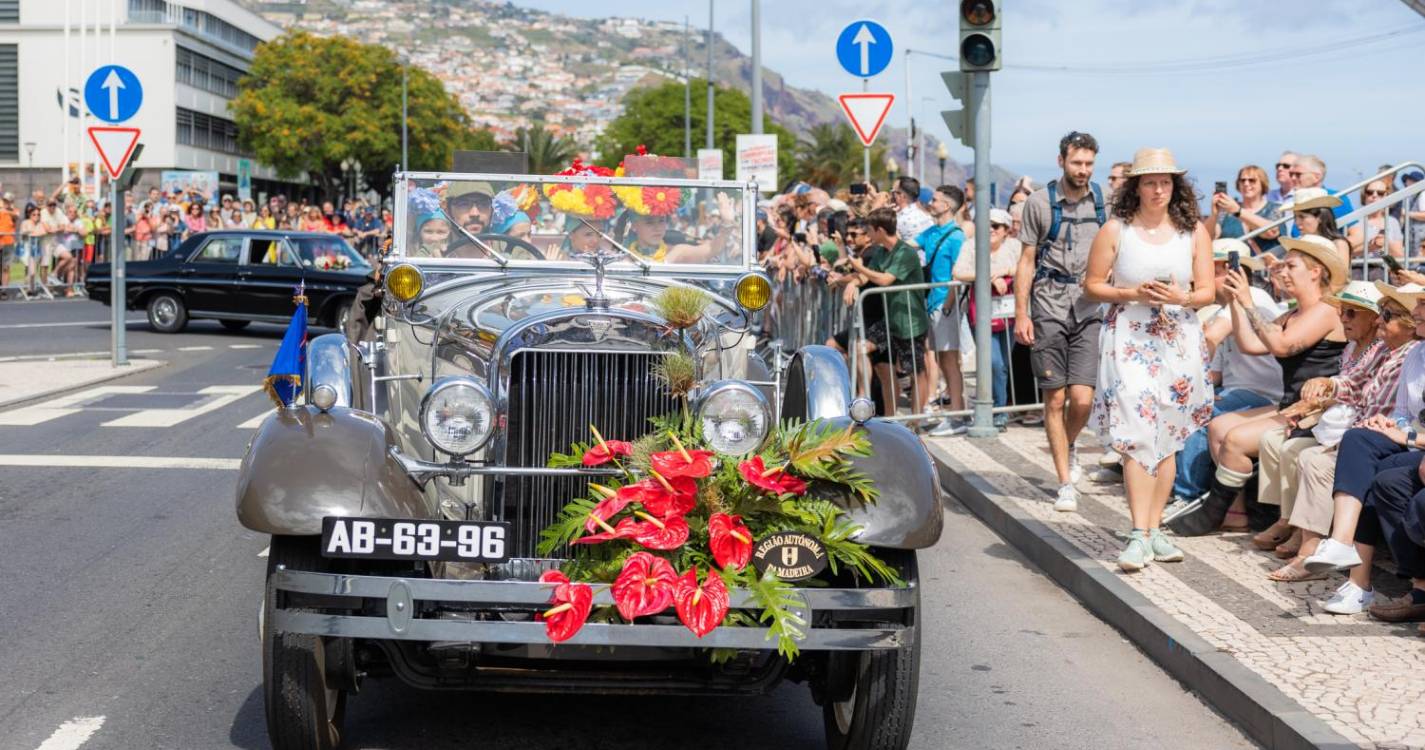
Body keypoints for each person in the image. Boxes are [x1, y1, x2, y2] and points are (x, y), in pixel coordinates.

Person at [1084, 148, 1215, 571]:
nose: (1158, 189)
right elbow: (1092, 286)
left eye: (1165, 181)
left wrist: (1183, 297)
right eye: (1150, 181)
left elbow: (1209, 292)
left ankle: (1155, 529)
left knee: (1170, 433)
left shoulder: (1193, 232)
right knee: (1136, 427)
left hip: (1179, 337)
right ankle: (1138, 532)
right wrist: (1131, 293)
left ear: (1175, 185)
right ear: (1136, 187)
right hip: (1130, 336)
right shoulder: (1115, 230)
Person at [1168, 234, 1348, 536]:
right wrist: (1238, 302)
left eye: (1291, 266)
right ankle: (1235, 512)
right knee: (1218, 427)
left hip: (1316, 411)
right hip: (1291, 405)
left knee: (1236, 439)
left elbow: (1282, 345)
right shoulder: (1292, 314)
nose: (1283, 272)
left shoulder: (1326, 310)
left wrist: (1249, 301)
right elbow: (1251, 343)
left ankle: (1217, 513)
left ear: (1316, 271)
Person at [1266, 284, 1418, 583]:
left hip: (1387, 439)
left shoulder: (1407, 354)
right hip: (1369, 434)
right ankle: (1318, 545)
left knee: (1318, 460)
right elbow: (1355, 383)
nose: (1378, 321)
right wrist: (1328, 384)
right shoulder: (1388, 350)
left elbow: (1382, 408)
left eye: (1385, 315)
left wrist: (1325, 400)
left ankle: (1315, 552)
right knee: (1309, 451)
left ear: (1409, 324)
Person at [1014, 131, 1108, 511]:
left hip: (1089, 307)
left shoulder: (1104, 202)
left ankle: (1066, 445)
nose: (1083, 170)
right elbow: (1025, 261)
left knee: (1083, 399)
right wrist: (1022, 313)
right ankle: (1065, 481)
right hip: (1049, 305)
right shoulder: (1039, 204)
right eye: (1076, 163)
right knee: (1055, 397)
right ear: (1061, 161)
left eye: (1088, 164)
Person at [1169, 240, 1284, 509]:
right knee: (1179, 405)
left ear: (1226, 270)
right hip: (1240, 392)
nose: (1200, 278)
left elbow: (1210, 337)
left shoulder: (1253, 297)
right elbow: (1215, 373)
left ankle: (1187, 496)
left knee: (1199, 412)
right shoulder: (1226, 308)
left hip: (1262, 395)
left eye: (1207, 270)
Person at [846, 206, 932, 418]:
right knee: (860, 349)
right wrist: (853, 284)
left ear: (880, 231)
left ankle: (916, 420)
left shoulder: (906, 253)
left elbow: (885, 280)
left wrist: (858, 267)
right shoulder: (882, 252)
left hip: (910, 322)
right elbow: (867, 278)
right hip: (890, 321)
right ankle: (871, 404)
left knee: (915, 372)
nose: (868, 235)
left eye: (870, 231)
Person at [951, 208, 1023, 431]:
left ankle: (998, 408)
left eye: (996, 226)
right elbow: (959, 272)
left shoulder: (1015, 246)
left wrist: (1001, 272)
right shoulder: (971, 245)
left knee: (1003, 364)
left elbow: (1024, 268)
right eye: (987, 225)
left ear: (1006, 230)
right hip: (981, 313)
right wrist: (988, 275)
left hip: (1009, 313)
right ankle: (995, 410)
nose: (991, 230)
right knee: (993, 362)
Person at [916, 185, 969, 436]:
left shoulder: (956, 236)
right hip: (933, 304)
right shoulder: (931, 232)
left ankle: (957, 414)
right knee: (941, 358)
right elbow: (907, 245)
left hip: (944, 305)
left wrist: (948, 304)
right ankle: (954, 411)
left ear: (946, 205)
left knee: (949, 359)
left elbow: (959, 271)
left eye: (935, 200)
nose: (930, 202)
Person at [1210, 164, 1282, 256]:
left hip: (1265, 267)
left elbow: (1271, 232)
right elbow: (1210, 236)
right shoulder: (1226, 211)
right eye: (1242, 180)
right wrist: (1214, 214)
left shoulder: (1275, 208)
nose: (1246, 184)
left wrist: (1237, 211)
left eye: (1252, 180)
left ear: (1262, 183)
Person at [1345, 180, 1404, 259]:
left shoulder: (1392, 222)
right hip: (1359, 269)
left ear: (1387, 196)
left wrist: (1386, 243)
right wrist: (1371, 247)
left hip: (1384, 269)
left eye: (1380, 193)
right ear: (1364, 196)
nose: (1374, 195)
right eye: (1370, 192)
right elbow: (1345, 251)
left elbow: (1399, 255)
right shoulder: (1354, 221)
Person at [1286, 187, 1349, 259]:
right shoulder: (1298, 245)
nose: (1297, 222)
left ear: (1320, 217)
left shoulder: (1338, 244)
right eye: (1295, 217)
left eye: (1302, 217)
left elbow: (1341, 270)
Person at [1288, 154, 1353, 221]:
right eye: (1291, 174)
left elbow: (1354, 230)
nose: (1293, 178)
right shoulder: (1294, 200)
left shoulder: (1336, 199)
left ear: (1317, 177)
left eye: (1298, 174)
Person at [891, 176, 934, 249]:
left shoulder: (899, 220)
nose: (891, 195)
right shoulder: (926, 217)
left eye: (893, 192)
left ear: (902, 196)